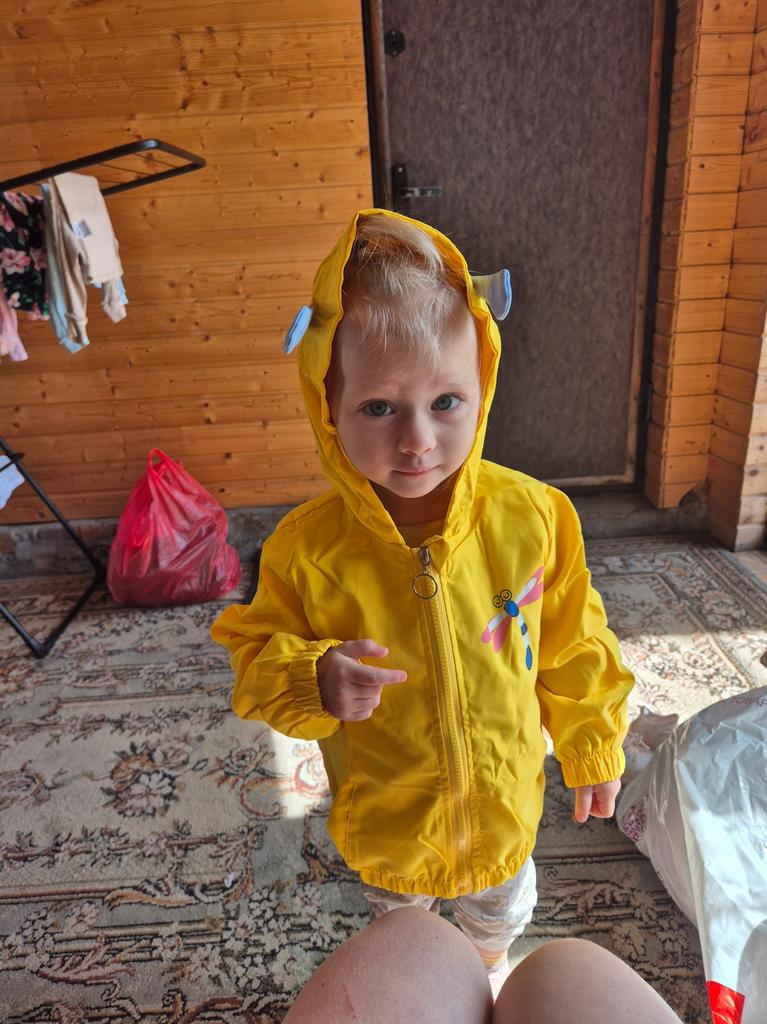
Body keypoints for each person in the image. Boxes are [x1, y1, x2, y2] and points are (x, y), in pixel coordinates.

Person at [211, 210, 635, 995]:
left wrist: (592, 742)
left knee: (496, 919)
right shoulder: (304, 550)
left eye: (445, 402)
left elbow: (575, 642)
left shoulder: (534, 517)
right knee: (402, 934)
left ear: (482, 388)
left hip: (501, 811)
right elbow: (253, 662)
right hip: (388, 825)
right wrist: (313, 676)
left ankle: (487, 970)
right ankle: (424, 968)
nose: (415, 440)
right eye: (379, 407)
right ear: (327, 406)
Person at [283, 906, 684, 1023]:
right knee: (414, 928)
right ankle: (486, 971)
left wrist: (592, 754)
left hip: (498, 824)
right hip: (396, 829)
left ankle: (489, 962)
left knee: (421, 934)